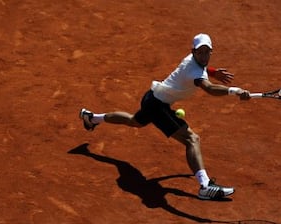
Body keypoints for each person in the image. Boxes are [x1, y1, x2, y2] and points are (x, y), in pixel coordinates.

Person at [79, 33, 251, 200]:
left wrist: (213, 72)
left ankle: (92, 118)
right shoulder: (195, 72)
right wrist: (235, 91)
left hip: (151, 98)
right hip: (157, 106)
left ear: (211, 52)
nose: (204, 55)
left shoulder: (193, 61)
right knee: (192, 139)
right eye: (200, 52)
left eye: (207, 52)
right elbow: (209, 89)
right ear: (193, 52)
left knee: (134, 121)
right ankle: (205, 186)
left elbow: (203, 68)